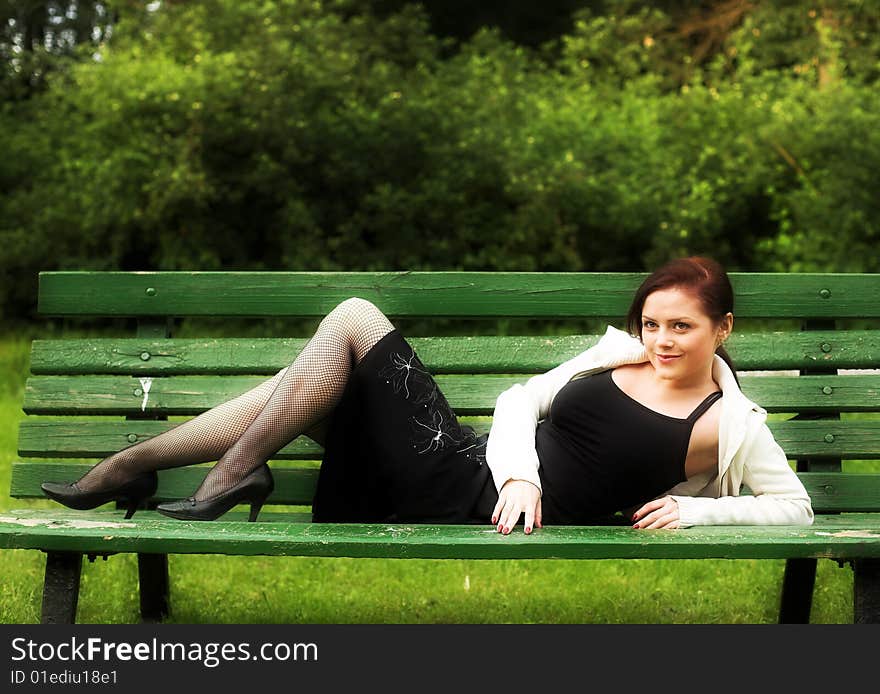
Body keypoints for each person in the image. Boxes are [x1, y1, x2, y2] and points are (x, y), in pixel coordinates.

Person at [41, 257, 814, 533]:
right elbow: (519, 403)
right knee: (318, 377)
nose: (661, 340)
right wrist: (520, 474)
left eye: (681, 326)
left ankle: (172, 469)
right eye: (652, 323)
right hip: (473, 469)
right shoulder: (615, 355)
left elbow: (795, 508)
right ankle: (148, 464)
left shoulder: (730, 422)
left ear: (723, 327)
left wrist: (702, 508)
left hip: (459, 497)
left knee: (349, 322)